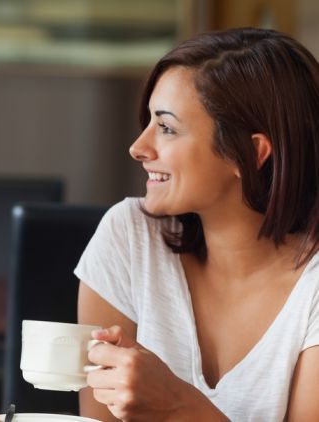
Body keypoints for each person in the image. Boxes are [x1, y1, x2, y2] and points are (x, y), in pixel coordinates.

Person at [75, 27, 319, 421]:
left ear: (249, 153)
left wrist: (176, 406)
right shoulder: (129, 236)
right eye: (149, 121)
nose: (138, 148)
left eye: (167, 128)